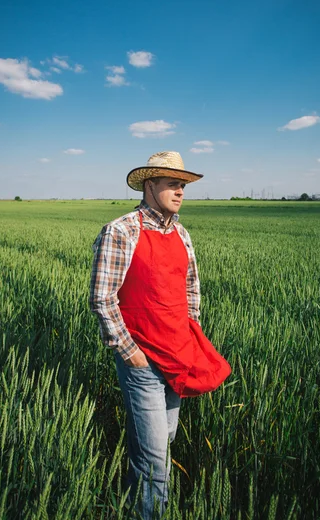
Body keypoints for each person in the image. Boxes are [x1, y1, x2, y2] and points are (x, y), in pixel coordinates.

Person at [90, 151, 231, 519]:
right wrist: (130, 352)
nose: (180, 191)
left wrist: (189, 330)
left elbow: (191, 289)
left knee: (161, 445)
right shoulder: (121, 230)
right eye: (172, 183)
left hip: (177, 354)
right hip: (142, 361)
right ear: (150, 185)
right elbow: (102, 298)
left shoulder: (182, 233)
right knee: (156, 461)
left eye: (183, 185)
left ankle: (127, 507)